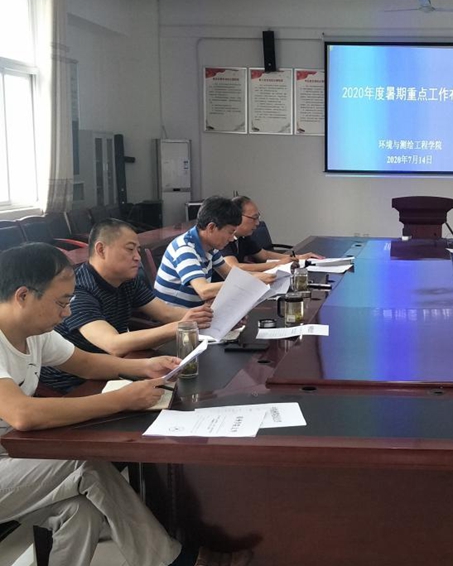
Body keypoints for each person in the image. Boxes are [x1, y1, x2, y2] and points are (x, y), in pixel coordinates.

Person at [0, 243, 251, 566]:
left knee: (81, 513)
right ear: (23, 296)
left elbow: (86, 363)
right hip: (9, 460)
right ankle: (174, 562)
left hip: (14, 457)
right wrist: (121, 400)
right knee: (86, 464)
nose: (66, 313)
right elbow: (22, 415)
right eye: (61, 303)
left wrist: (144, 367)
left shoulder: (34, 333)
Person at [38, 219, 213, 394]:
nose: (137, 257)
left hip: (114, 367)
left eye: (137, 250)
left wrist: (208, 315)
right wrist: (181, 326)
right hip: (75, 382)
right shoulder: (79, 290)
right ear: (101, 250)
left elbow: (167, 313)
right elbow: (113, 344)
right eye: (130, 249)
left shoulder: (127, 280)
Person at [154, 196, 274, 307]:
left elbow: (230, 274)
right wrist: (254, 280)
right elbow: (204, 290)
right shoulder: (185, 249)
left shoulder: (210, 247)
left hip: (197, 312)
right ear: (211, 227)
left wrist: (267, 276)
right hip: (178, 318)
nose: (232, 238)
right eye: (230, 232)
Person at [221, 196, 322, 272]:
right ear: (237, 216)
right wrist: (277, 264)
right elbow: (233, 267)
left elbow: (264, 255)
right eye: (254, 218)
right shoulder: (223, 238)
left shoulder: (243, 237)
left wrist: (298, 258)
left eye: (258, 218)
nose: (257, 223)